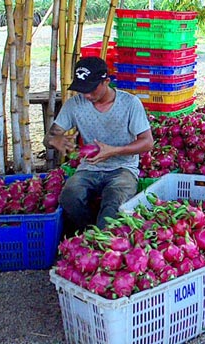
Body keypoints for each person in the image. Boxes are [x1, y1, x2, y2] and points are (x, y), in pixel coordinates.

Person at [44, 56, 154, 232]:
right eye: (82, 90)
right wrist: (54, 139)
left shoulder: (130, 103)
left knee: (113, 205)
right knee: (70, 196)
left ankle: (102, 243)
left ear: (106, 82)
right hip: (89, 168)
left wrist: (114, 151)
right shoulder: (74, 104)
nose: (87, 95)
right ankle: (88, 235)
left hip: (123, 168)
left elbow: (147, 143)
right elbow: (49, 137)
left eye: (91, 89)